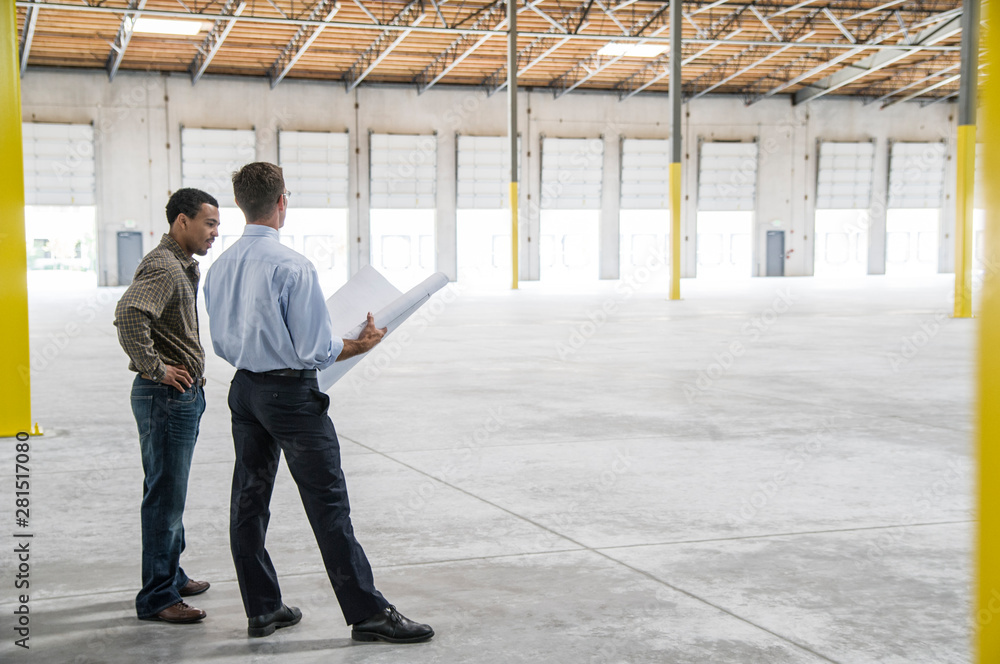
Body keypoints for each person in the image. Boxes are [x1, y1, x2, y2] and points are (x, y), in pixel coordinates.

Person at [202, 162, 433, 643]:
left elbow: (222, 341)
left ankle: (262, 609)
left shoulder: (220, 267)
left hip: (244, 391)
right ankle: (367, 613)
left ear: (239, 204)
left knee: (248, 500)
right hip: (290, 397)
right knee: (328, 504)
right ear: (281, 202)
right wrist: (359, 343)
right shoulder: (292, 266)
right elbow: (315, 348)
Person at [114, 188, 220, 624]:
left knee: (169, 492)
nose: (215, 233)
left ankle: (171, 575)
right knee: (165, 497)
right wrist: (156, 368)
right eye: (209, 223)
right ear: (182, 221)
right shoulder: (164, 266)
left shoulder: (180, 265)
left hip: (179, 397)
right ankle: (158, 596)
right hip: (166, 398)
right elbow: (129, 314)